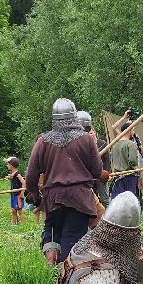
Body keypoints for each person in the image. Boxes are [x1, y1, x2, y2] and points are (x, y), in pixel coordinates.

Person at [25, 98, 105, 264]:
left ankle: (55, 268)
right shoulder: (86, 139)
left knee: (53, 231)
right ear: (74, 116)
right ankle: (64, 275)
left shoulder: (43, 140)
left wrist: (33, 193)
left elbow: (31, 174)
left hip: (53, 198)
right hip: (80, 199)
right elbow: (97, 171)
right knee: (72, 239)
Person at [109, 123, 142, 204]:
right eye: (133, 130)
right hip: (129, 178)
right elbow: (132, 161)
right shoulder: (130, 144)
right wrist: (137, 170)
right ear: (129, 130)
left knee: (119, 202)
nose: (133, 133)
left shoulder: (115, 144)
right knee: (130, 203)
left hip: (117, 177)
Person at [6, 156, 34, 225]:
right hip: (13, 194)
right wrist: (9, 178)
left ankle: (23, 224)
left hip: (17, 194)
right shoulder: (13, 174)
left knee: (19, 210)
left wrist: (22, 193)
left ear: (11, 165)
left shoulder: (18, 174)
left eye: (8, 164)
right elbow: (13, 179)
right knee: (13, 210)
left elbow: (24, 183)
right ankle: (14, 224)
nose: (7, 166)